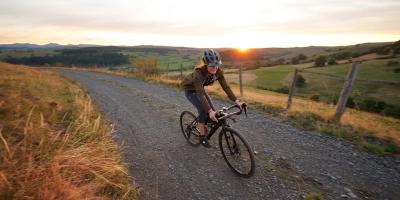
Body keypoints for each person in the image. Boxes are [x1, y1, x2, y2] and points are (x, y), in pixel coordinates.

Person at [181, 49, 244, 147]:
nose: (214, 68)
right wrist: (209, 111)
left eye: (217, 64)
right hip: (190, 91)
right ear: (206, 64)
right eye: (211, 65)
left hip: (200, 89)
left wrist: (237, 101)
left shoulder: (218, 71)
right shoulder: (199, 73)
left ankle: (203, 124)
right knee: (203, 111)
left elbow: (226, 87)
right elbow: (200, 94)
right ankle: (202, 137)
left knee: (213, 112)